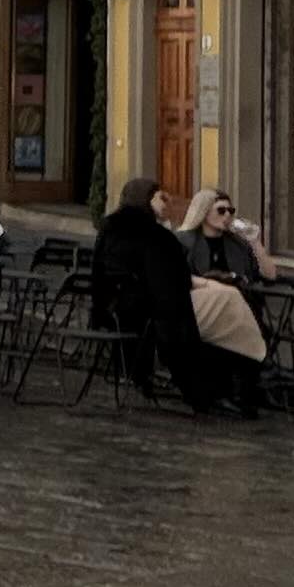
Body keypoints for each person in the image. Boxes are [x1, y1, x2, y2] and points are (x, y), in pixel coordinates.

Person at [88, 178, 223, 416]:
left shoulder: (109, 228)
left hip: (111, 309)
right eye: (160, 197)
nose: (166, 202)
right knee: (185, 322)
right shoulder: (155, 236)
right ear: (145, 200)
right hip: (145, 312)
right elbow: (174, 282)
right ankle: (201, 391)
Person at [178, 189, 274, 410]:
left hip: (240, 310)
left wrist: (255, 242)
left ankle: (246, 390)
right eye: (220, 210)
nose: (227, 216)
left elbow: (270, 274)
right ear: (204, 212)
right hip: (202, 309)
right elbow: (176, 277)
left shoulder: (238, 245)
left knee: (251, 323)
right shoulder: (184, 241)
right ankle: (234, 389)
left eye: (231, 211)